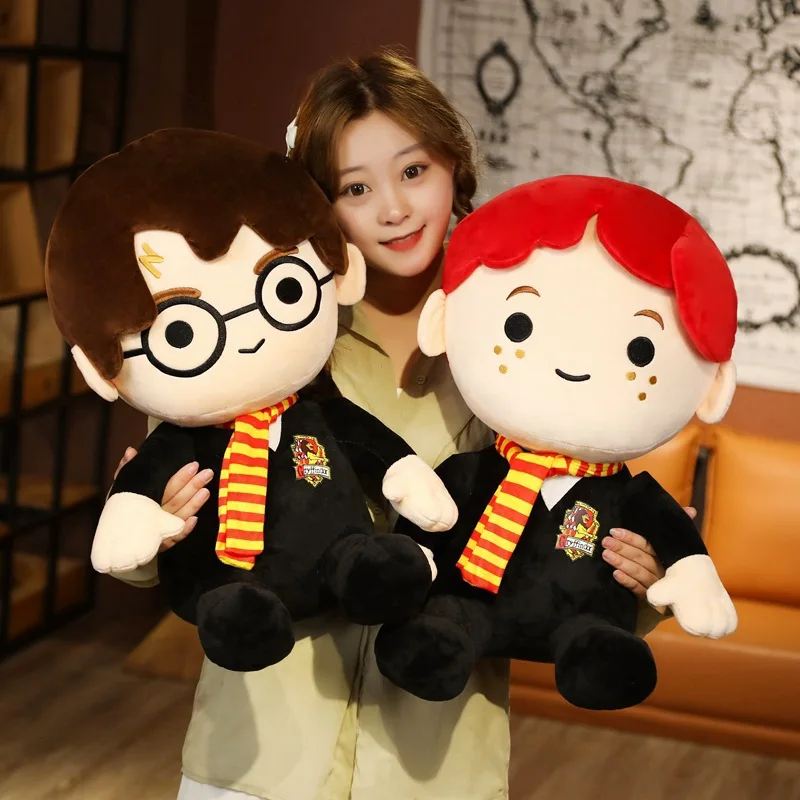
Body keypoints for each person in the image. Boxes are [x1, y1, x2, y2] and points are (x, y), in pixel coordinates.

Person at [112, 49, 680, 800]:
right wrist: (154, 527)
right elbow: (151, 558)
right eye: (356, 187)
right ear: (319, 202)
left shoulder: (523, 348)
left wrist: (641, 580)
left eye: (414, 171)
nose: (394, 208)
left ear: (455, 167)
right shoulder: (261, 338)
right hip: (257, 760)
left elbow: (563, 559)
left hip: (435, 769)